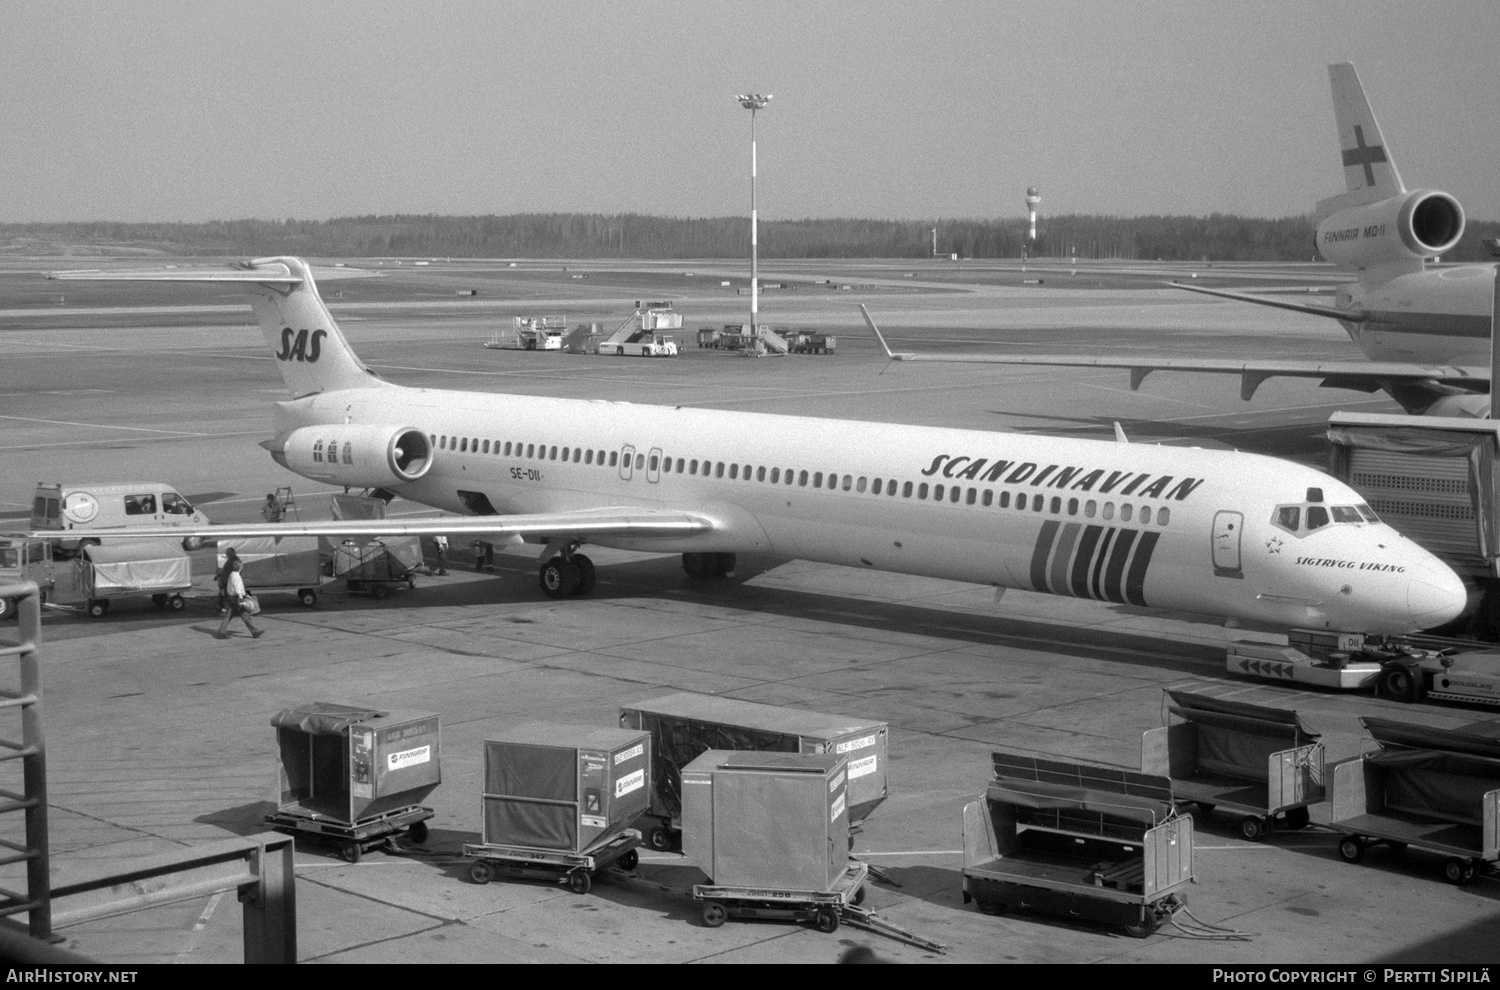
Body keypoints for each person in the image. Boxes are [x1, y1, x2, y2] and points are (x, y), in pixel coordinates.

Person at [216, 559, 263, 639]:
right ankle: (254, 632)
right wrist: (242, 598)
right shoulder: (237, 576)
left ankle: (221, 632)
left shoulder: (232, 574)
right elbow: (238, 588)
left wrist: (245, 594)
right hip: (236, 598)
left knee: (229, 615)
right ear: (240, 567)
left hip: (231, 597)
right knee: (245, 615)